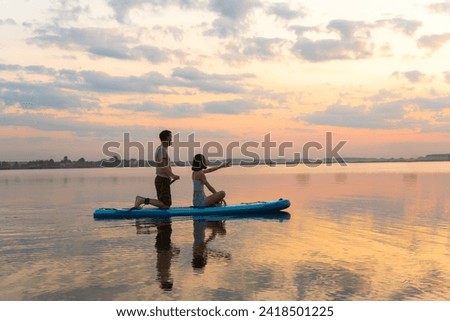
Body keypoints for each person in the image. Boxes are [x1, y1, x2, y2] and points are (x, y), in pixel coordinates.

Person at [134, 130, 180, 208]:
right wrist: (173, 176)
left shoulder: (161, 149)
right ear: (166, 139)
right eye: (170, 138)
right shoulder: (161, 150)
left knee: (163, 203)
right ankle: (142, 200)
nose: (171, 140)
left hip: (162, 179)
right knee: (166, 205)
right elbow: (163, 167)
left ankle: (142, 200)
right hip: (162, 179)